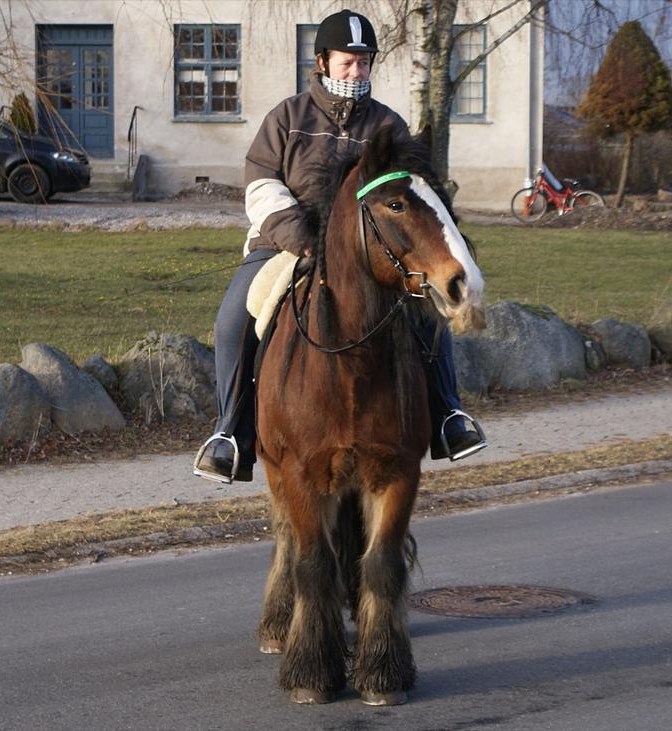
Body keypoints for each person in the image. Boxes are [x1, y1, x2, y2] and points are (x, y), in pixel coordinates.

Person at [193, 8, 486, 484]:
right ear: (323, 62)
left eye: (364, 62)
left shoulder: (387, 125)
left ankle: (449, 416)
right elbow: (261, 184)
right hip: (285, 247)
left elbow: (414, 190)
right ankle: (231, 434)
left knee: (426, 314)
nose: (357, 71)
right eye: (347, 62)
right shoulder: (287, 117)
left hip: (371, 258)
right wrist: (303, 238)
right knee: (232, 320)